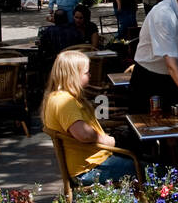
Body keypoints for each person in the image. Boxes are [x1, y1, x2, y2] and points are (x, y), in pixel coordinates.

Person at [42, 48, 138, 185]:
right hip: (90, 169)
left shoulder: (58, 97)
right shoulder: (65, 101)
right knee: (158, 170)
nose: (90, 75)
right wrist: (110, 140)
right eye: (87, 72)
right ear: (73, 76)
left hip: (90, 163)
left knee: (142, 158)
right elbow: (84, 134)